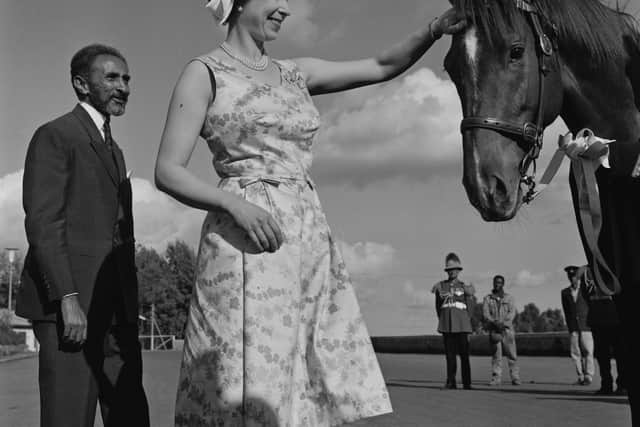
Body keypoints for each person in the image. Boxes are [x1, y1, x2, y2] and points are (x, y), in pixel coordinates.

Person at [154, 0, 466, 425]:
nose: (285, 8)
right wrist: (234, 205)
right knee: (243, 370)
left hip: (307, 233)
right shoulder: (204, 72)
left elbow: (379, 65)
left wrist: (434, 29)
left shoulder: (295, 72)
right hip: (243, 238)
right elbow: (168, 171)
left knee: (304, 369)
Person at [15, 44, 150, 427]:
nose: (123, 86)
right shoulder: (56, 135)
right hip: (70, 309)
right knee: (68, 418)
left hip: (117, 313)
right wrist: (67, 298)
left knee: (130, 416)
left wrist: (129, 306)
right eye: (111, 77)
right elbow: (44, 222)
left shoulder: (116, 151)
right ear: (81, 83)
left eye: (126, 79)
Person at [578, 265, 627, 395]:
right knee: (603, 355)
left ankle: (620, 384)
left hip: (612, 316)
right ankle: (608, 384)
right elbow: (585, 293)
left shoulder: (600, 269)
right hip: (602, 317)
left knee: (618, 354)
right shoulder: (588, 272)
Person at [431, 252, 475, 390]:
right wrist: (443, 320)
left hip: (462, 325)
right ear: (447, 271)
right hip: (447, 325)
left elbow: (470, 307)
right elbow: (438, 306)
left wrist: (466, 322)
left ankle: (467, 383)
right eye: (449, 270)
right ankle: (451, 382)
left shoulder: (465, 287)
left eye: (454, 270)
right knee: (450, 356)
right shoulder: (440, 286)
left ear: (459, 271)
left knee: (464, 356)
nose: (452, 272)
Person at [482, 275, 521, 386]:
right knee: (496, 356)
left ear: (503, 284)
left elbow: (512, 313)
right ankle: (496, 378)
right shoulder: (487, 298)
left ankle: (515, 377)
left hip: (507, 330)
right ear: (493, 283)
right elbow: (485, 314)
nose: (497, 284)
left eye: (499, 282)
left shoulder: (509, 298)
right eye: (495, 282)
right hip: (494, 331)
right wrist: (495, 323)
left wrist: (502, 324)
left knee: (512, 355)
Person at [560, 265, 595, 386]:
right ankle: (580, 376)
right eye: (570, 276)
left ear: (578, 276)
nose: (572, 278)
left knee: (588, 351)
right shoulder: (564, 293)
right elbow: (566, 311)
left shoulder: (586, 290)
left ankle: (589, 376)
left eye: (574, 276)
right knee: (575, 353)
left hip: (586, 326)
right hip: (573, 327)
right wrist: (569, 326)